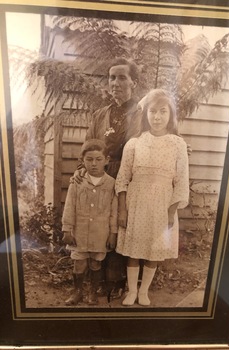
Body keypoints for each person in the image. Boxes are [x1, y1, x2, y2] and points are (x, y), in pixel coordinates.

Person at [73, 58, 142, 300]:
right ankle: (97, 282)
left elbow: (160, 133)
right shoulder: (100, 114)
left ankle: (117, 281)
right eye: (112, 77)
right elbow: (88, 146)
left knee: (119, 226)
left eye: (122, 77)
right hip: (100, 177)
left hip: (128, 178)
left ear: (134, 81)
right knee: (100, 224)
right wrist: (83, 168)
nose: (115, 82)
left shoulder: (141, 113)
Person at [115, 89, 189, 306]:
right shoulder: (135, 143)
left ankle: (144, 291)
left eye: (163, 112)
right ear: (146, 114)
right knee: (133, 250)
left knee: (154, 251)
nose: (157, 117)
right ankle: (131, 291)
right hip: (136, 203)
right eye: (153, 111)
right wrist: (122, 209)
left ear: (171, 115)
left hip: (163, 205)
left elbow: (182, 181)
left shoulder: (177, 144)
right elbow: (122, 179)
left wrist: (171, 212)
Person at [62, 139, 118, 306]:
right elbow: (69, 206)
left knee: (95, 263)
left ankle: (92, 292)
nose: (94, 164)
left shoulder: (111, 184)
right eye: (89, 159)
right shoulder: (77, 182)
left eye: (98, 159)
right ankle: (77, 292)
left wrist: (113, 233)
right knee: (79, 263)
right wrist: (67, 229)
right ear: (82, 161)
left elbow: (114, 212)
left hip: (100, 234)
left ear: (106, 160)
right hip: (79, 232)